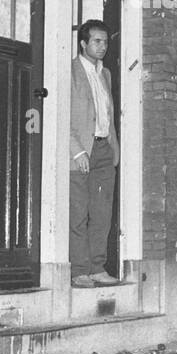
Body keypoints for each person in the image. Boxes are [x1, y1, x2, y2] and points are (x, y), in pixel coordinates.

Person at [70, 20, 119, 288]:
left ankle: (97, 267)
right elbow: (62, 114)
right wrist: (76, 151)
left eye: (105, 42)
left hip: (103, 149)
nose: (102, 47)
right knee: (79, 212)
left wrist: (114, 148)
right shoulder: (71, 71)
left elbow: (107, 115)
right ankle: (79, 270)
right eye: (97, 42)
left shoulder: (106, 74)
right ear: (83, 44)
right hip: (80, 151)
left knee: (102, 213)